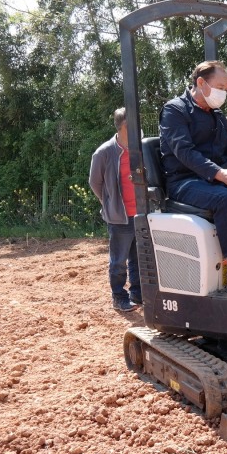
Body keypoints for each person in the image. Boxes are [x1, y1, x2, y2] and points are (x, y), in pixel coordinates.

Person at [159, 60, 227, 294]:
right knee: (224, 198)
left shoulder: (217, 115)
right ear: (201, 82)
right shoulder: (174, 111)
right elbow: (185, 153)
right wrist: (220, 174)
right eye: (220, 87)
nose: (223, 93)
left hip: (217, 179)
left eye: (226, 89)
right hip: (185, 182)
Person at [89, 107, 142, 312]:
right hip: (119, 217)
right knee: (119, 262)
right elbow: (95, 183)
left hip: (142, 215)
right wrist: (109, 202)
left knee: (139, 259)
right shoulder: (103, 152)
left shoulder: (141, 148)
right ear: (123, 127)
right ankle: (119, 297)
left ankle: (137, 295)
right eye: (133, 124)